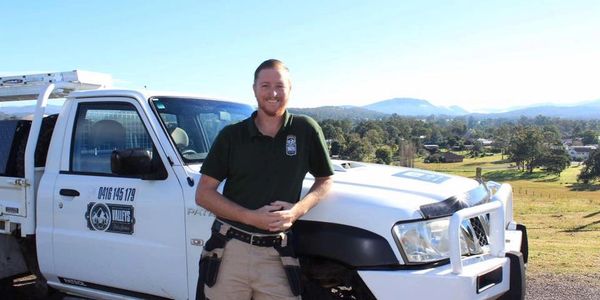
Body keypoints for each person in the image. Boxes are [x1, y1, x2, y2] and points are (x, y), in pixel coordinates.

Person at [195, 59, 334, 300]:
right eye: (265, 86)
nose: (273, 93)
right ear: (254, 89)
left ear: (290, 89)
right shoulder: (232, 136)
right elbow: (204, 193)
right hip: (231, 250)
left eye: (280, 86)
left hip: (277, 255)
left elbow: (325, 180)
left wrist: (297, 210)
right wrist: (251, 217)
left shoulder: (305, 130)